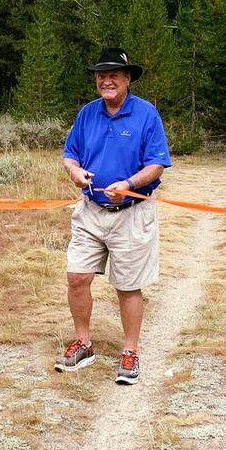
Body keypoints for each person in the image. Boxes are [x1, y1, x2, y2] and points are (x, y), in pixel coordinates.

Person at [55, 47, 171, 385]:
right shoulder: (88, 113)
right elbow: (70, 155)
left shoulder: (146, 114)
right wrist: (75, 173)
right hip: (90, 210)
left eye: (114, 75)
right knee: (77, 277)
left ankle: (130, 350)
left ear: (127, 79)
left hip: (132, 213)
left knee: (128, 286)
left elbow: (157, 163)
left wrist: (130, 183)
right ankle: (84, 343)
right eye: (101, 75)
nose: (107, 81)